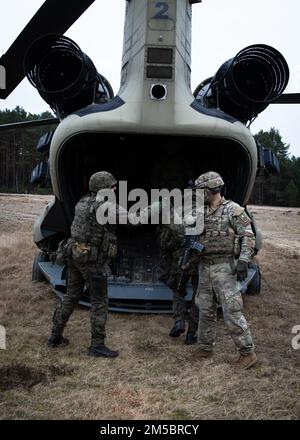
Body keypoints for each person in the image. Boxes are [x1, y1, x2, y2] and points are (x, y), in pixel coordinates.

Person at [48, 171, 119, 358]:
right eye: (112, 186)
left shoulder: (83, 202)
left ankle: (55, 336)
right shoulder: (105, 206)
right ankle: (97, 345)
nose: (115, 188)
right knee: (99, 302)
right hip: (92, 261)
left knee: (71, 295)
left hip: (75, 255)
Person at [193, 171, 257, 369]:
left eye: (200, 191)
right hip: (205, 266)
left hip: (224, 267)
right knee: (205, 308)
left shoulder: (233, 210)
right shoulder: (200, 211)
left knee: (232, 310)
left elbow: (247, 234)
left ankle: (247, 353)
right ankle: (205, 347)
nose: (197, 194)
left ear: (210, 190)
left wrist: (244, 260)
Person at [157, 219, 199, 345]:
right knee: (198, 297)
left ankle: (179, 321)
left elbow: (164, 244)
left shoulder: (173, 221)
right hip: (198, 263)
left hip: (179, 262)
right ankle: (191, 333)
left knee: (178, 291)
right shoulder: (206, 217)